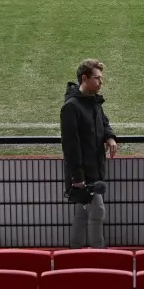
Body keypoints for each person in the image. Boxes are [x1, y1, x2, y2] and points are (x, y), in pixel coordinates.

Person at [60, 59, 119, 249]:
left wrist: (109, 137)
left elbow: (103, 122)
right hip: (85, 173)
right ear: (84, 79)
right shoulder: (72, 107)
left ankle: (75, 251)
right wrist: (78, 176)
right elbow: (71, 146)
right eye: (98, 78)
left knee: (82, 212)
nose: (101, 82)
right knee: (98, 211)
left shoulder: (93, 102)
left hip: (93, 169)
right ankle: (98, 254)